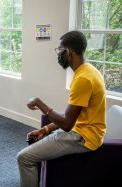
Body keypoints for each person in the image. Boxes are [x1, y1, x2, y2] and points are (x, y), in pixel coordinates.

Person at [17, 31, 106, 187]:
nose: (58, 54)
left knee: (24, 158)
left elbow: (67, 124)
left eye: (59, 50)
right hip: (83, 130)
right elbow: (72, 115)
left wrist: (38, 102)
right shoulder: (88, 70)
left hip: (84, 138)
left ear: (69, 52)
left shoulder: (83, 79)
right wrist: (45, 129)